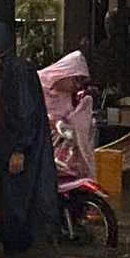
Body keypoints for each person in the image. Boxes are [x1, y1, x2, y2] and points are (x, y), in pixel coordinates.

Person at [0, 20, 57, 252]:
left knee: (19, 206)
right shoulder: (0, 72)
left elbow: (25, 112)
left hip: (21, 155)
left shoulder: (18, 71)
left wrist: (19, 148)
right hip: (10, 152)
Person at [37, 50, 96, 181]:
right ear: (66, 72)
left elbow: (78, 126)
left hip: (65, 152)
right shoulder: (36, 85)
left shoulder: (73, 98)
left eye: (81, 83)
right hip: (40, 146)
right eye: (76, 80)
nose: (77, 86)